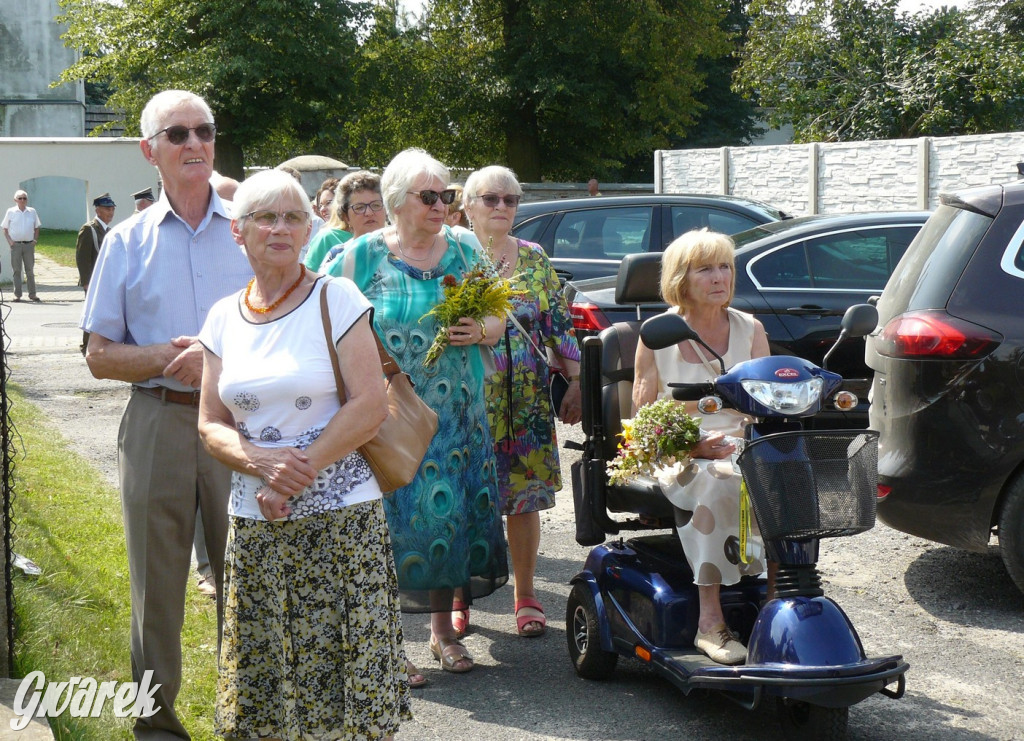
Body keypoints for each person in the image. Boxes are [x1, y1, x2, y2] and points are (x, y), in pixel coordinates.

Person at [197, 169, 411, 738]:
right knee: (266, 671)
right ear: (238, 232)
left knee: (344, 679)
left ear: (308, 228)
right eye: (265, 217)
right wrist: (261, 464)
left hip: (341, 523)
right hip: (256, 523)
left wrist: (296, 470)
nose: (280, 228)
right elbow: (209, 424)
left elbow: (370, 406)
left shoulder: (335, 296)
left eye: (293, 217)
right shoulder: (222, 317)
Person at [79, 89, 253, 739]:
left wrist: (217, 357)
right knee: (157, 591)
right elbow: (98, 355)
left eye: (204, 130)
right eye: (176, 133)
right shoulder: (125, 242)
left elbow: (289, 325)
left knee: (248, 581)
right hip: (158, 420)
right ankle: (156, 726)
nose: (194, 143)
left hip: (243, 422)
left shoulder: (251, 228)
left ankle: (246, 715)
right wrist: (164, 356)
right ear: (148, 149)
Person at [327, 148, 509, 675]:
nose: (440, 205)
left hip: (457, 416)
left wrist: (481, 330)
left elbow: (498, 316)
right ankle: (385, 648)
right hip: (386, 417)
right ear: (395, 202)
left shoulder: (466, 247)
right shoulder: (360, 256)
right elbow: (325, 320)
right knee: (384, 529)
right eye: (428, 196)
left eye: (446, 195)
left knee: (446, 524)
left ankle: (443, 635)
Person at [632, 228, 769, 666]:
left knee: (789, 475)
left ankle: (776, 607)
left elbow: (768, 405)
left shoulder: (752, 330)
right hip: (680, 450)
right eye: (705, 268)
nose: (719, 277)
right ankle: (710, 623)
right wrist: (692, 446)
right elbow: (643, 423)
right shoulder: (657, 334)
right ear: (680, 279)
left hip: (742, 444)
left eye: (725, 266)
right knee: (718, 479)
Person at [461, 165, 581, 638]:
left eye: (510, 200)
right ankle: (460, 597)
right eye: (490, 199)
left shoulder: (533, 257)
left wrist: (574, 382)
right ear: (467, 205)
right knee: (466, 501)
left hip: (527, 402)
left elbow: (559, 325)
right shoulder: (452, 255)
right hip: (468, 401)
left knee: (524, 502)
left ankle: (526, 593)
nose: (501, 208)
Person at [318, 170, 387, 270]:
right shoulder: (337, 257)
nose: (369, 213)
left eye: (376, 205)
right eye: (359, 208)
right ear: (345, 216)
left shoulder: (404, 252)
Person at [75, 192, 116, 353]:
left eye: (112, 209)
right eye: (107, 209)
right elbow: (82, 257)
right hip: (92, 281)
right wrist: (86, 282)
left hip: (105, 280)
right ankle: (86, 346)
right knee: (92, 313)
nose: (111, 213)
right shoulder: (89, 229)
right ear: (98, 210)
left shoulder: (108, 230)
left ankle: (100, 344)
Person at [2, 190, 42, 302]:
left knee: (30, 270)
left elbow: (37, 227)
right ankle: (17, 295)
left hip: (29, 245)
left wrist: (34, 240)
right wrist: (10, 242)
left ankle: (32, 294)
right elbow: (4, 228)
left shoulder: (32, 211)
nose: (23, 200)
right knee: (16, 270)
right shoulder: (11, 212)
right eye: (20, 198)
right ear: (15, 200)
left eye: (24, 198)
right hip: (16, 245)